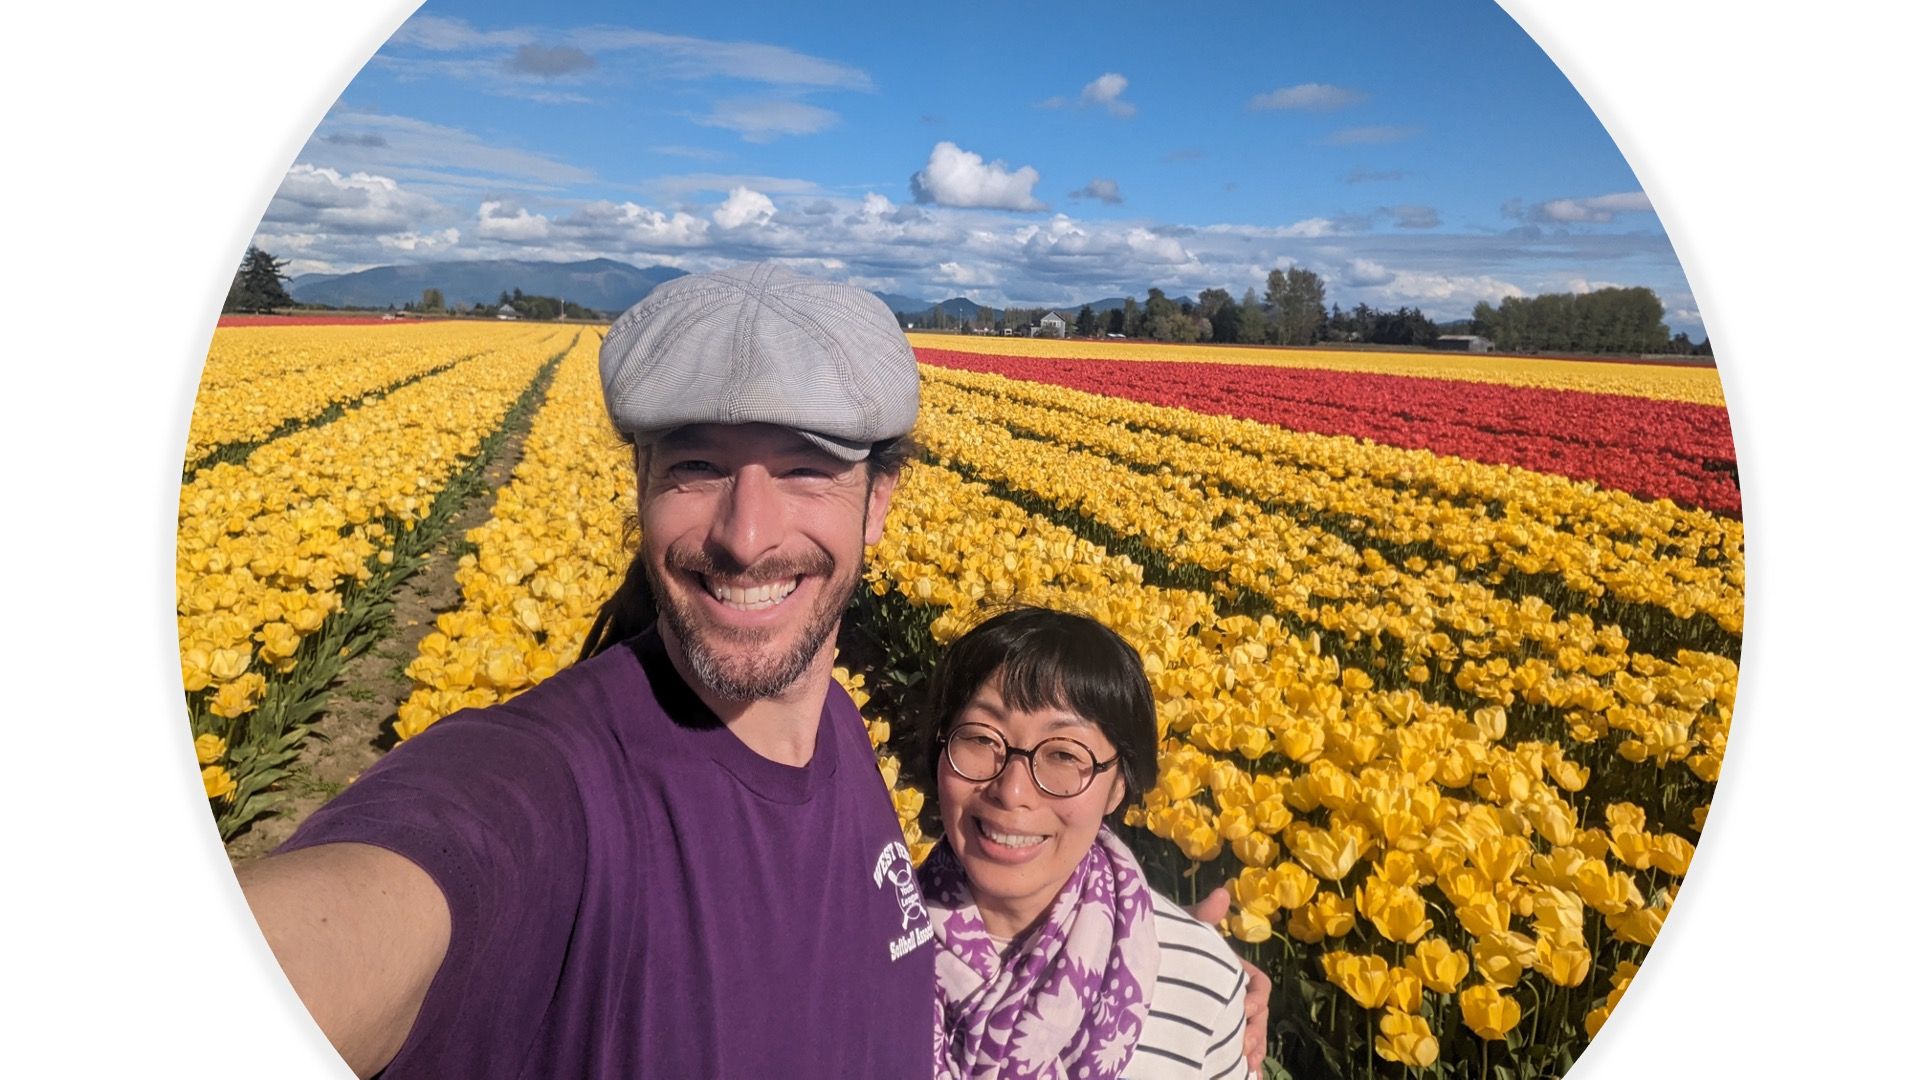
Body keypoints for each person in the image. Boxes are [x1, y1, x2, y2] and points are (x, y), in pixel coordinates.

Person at [234, 261, 1267, 1078]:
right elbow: (355, 919)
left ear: (880, 501)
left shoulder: (849, 753)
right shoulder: (548, 788)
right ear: (639, 485)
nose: (745, 532)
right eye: (696, 465)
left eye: (808, 468)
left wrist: (1176, 985)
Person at [918, 607, 1253, 1080]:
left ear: (1119, 784)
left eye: (1062, 754)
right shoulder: (864, 942)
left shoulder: (1201, 981)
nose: (1012, 791)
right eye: (980, 738)